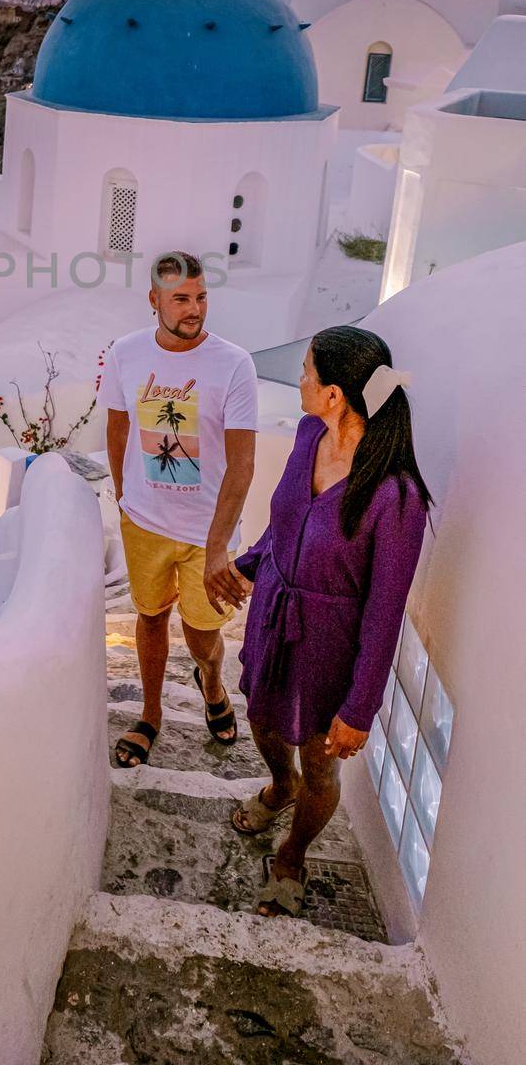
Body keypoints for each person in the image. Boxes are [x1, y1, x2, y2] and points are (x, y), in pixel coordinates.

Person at [230, 326, 432, 918]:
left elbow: (385, 609)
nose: (299, 381)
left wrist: (359, 708)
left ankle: (292, 854)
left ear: (335, 394)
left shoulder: (397, 497)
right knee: (264, 721)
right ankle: (279, 785)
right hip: (274, 615)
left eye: (307, 372)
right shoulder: (306, 433)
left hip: (330, 646)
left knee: (320, 760)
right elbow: (284, 520)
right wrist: (248, 566)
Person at [100, 251, 258, 766]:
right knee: (149, 619)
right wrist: (126, 497)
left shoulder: (233, 364)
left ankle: (212, 684)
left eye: (201, 297)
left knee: (204, 633)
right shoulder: (125, 354)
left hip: (205, 533)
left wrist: (218, 548)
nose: (195, 310)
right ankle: (149, 715)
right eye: (181, 299)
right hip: (143, 522)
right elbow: (118, 425)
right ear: (155, 301)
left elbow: (241, 466)